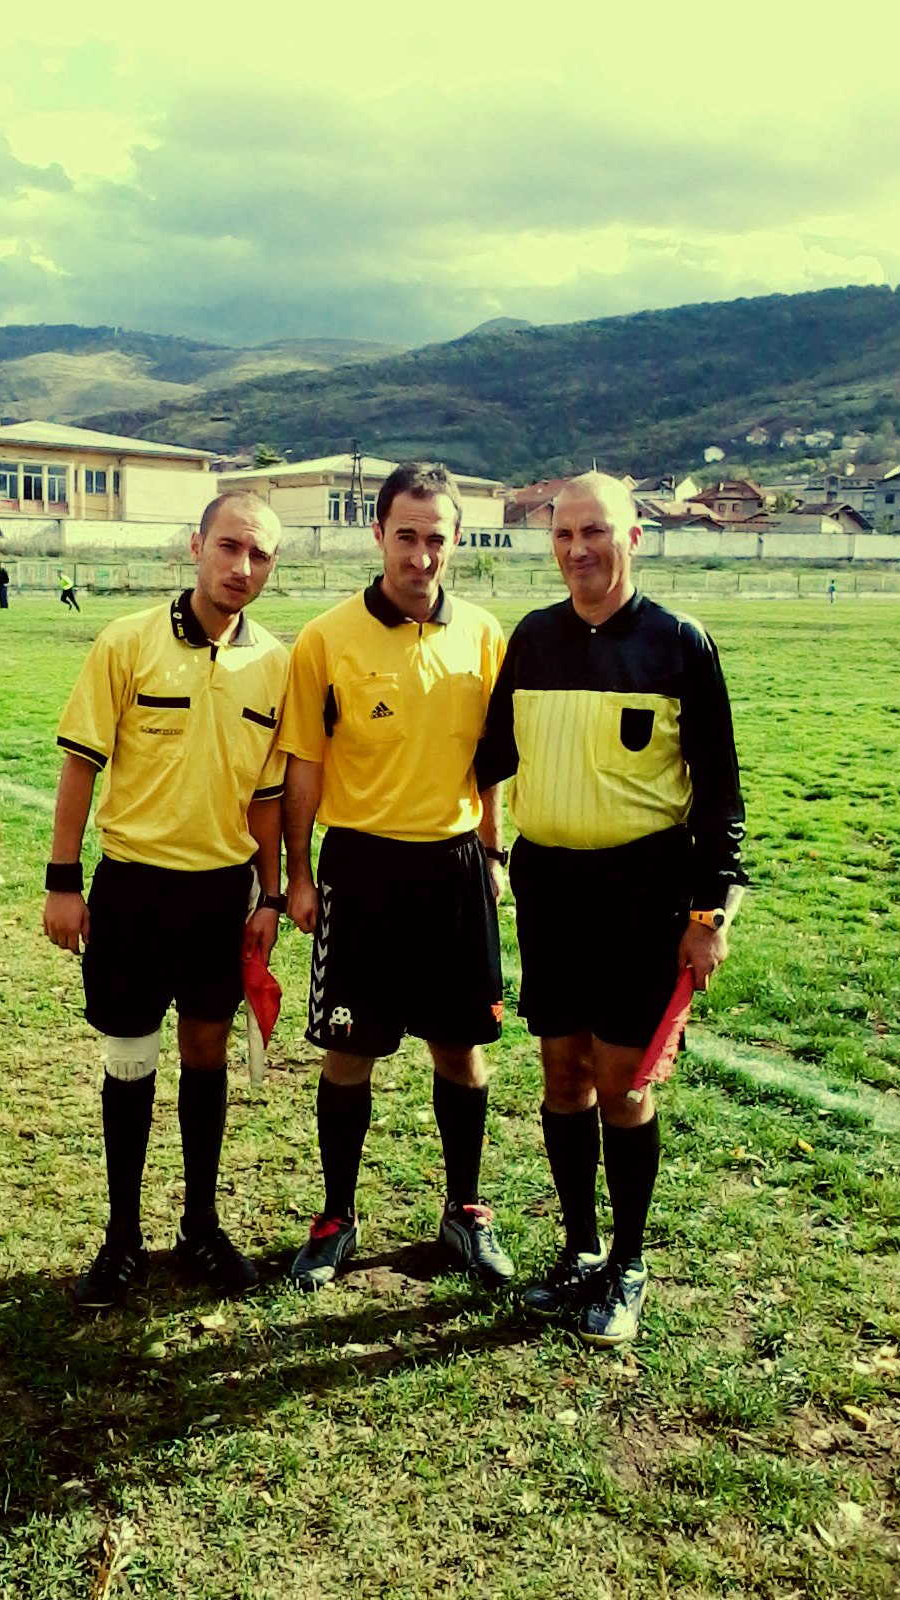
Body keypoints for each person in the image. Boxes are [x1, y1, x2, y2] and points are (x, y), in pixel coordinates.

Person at [476, 471, 746, 1347]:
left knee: (624, 1084)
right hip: (550, 888)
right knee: (562, 1072)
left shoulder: (679, 643)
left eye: (596, 531)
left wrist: (709, 917)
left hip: (643, 891)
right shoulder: (533, 639)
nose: (578, 549)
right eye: (563, 535)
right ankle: (582, 1250)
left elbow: (721, 799)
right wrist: (485, 852)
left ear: (636, 537)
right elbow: (486, 760)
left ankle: (629, 1264)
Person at [43, 491, 289, 1306]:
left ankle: (201, 1225)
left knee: (206, 1053)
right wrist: (63, 882)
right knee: (129, 1057)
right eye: (229, 547)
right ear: (196, 546)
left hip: (223, 896)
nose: (241, 567)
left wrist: (270, 894)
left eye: (259, 555)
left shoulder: (275, 664)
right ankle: (121, 1239)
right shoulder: (128, 642)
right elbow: (80, 764)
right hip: (134, 890)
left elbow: (268, 799)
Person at [279, 461, 514, 1292]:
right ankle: (337, 1216)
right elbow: (304, 768)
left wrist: (492, 852)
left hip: (453, 870)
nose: (421, 555)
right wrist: (297, 877)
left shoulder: (486, 635)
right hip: (361, 868)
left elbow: (492, 762)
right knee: (350, 1052)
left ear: (457, 542)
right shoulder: (326, 638)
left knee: (463, 1049)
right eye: (405, 536)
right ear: (377, 534)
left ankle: (466, 1209)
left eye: (436, 538)